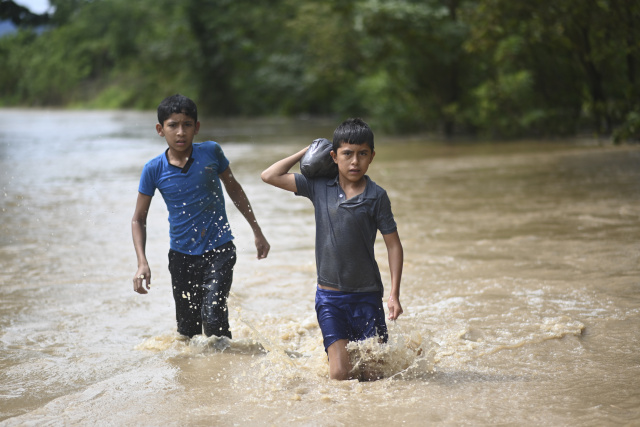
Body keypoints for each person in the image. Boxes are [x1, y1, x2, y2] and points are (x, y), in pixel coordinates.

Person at [261, 118, 403, 380]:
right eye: (347, 154)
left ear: (372, 156)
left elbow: (393, 245)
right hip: (330, 298)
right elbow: (270, 175)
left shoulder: (376, 196)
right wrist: (308, 150)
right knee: (339, 374)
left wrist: (394, 295)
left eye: (362, 154)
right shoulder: (318, 187)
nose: (355, 162)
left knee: (372, 374)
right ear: (333, 156)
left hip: (367, 296)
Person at [132, 94, 270, 339]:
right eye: (172, 125)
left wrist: (257, 232)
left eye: (187, 125)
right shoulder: (153, 169)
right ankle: (195, 376)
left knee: (214, 317)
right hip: (181, 256)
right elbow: (138, 219)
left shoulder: (211, 152)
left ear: (197, 127)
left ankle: (223, 369)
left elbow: (234, 189)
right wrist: (142, 261)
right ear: (160, 130)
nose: (180, 132)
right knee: (188, 332)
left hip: (220, 249)